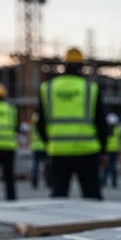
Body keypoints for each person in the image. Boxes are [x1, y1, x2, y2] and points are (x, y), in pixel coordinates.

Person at [37, 47, 108, 199]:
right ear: (82, 67)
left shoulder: (48, 88)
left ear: (64, 66)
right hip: (87, 151)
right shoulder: (90, 88)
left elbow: (40, 123)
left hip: (58, 151)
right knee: (92, 197)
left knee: (58, 197)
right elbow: (101, 122)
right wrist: (103, 150)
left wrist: (50, 143)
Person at [30, 111, 48, 189]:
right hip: (45, 146)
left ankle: (34, 182)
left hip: (36, 146)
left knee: (36, 165)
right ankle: (48, 182)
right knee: (47, 165)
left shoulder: (33, 119)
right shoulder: (45, 118)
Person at [103, 113, 121, 188]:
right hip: (114, 150)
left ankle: (104, 181)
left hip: (108, 149)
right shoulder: (117, 129)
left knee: (107, 166)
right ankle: (113, 182)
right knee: (112, 166)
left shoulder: (107, 129)